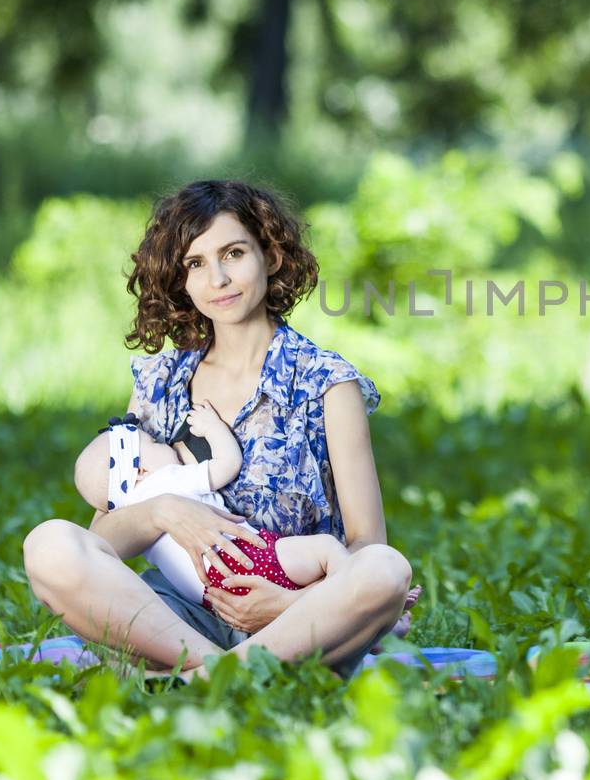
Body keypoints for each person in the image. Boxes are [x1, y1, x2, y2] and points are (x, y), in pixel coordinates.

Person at [23, 179, 413, 677]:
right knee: (49, 545)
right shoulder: (161, 383)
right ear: (180, 279)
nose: (219, 279)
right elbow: (105, 542)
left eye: (233, 253)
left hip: (295, 621)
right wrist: (165, 511)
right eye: (196, 264)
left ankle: (210, 679)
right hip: (176, 624)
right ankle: (221, 674)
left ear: (270, 256)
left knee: (386, 571)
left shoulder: (327, 384)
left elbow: (364, 546)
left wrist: (282, 606)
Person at [81, 399, 351, 613]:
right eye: (152, 443)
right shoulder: (165, 480)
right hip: (249, 558)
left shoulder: (130, 511)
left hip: (214, 596)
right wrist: (212, 428)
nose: (162, 443)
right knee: (327, 551)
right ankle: (360, 602)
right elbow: (228, 464)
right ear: (140, 470)